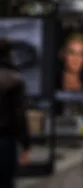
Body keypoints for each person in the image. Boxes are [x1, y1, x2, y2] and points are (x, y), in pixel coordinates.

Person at [0, 38, 30, 188]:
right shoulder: (14, 79)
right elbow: (19, 114)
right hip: (5, 139)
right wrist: (25, 144)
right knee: (6, 181)